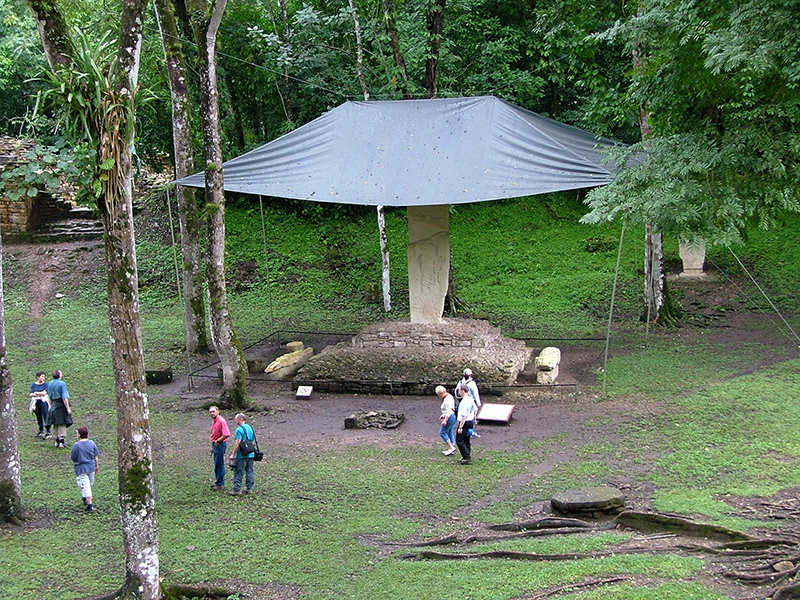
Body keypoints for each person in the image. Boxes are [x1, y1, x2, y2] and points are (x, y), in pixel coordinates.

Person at [71, 426, 99, 513]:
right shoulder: (92, 443)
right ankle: (86, 498)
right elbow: (96, 456)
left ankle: (89, 504)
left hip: (81, 468)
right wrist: (96, 466)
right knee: (89, 484)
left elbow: (73, 458)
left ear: (79, 434)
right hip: (91, 467)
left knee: (85, 485)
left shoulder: (76, 445)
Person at [228, 413, 255, 496]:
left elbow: (237, 443)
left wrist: (233, 454)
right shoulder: (250, 427)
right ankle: (249, 488)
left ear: (240, 419)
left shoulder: (239, 430)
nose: (235, 421)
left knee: (239, 471)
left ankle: (237, 489)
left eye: (236, 419)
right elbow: (252, 439)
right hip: (250, 453)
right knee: (249, 471)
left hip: (242, 455)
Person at [47, 370, 72, 448]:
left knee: (56, 423)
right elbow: (64, 397)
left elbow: (50, 397)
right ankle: (61, 441)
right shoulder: (62, 384)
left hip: (54, 404)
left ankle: (57, 440)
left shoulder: (50, 384)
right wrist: (68, 408)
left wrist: (51, 406)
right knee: (62, 422)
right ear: (59, 375)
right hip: (61, 405)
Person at [455, 383, 478, 465]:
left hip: (464, 422)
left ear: (462, 391)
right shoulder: (470, 399)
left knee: (459, 439)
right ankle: (467, 454)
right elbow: (475, 408)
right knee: (466, 439)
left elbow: (463, 415)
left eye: (459, 390)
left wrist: (460, 426)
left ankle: (466, 456)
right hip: (470, 422)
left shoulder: (464, 402)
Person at [209, 406, 230, 491]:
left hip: (220, 444)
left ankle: (220, 484)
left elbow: (226, 434)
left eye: (213, 411)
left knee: (219, 464)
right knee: (217, 464)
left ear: (218, 411)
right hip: (215, 444)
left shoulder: (221, 421)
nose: (212, 413)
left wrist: (218, 441)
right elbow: (214, 434)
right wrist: (212, 446)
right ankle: (219, 482)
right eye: (210, 412)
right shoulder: (214, 422)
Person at [455, 368, 481, 437]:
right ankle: (470, 431)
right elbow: (475, 393)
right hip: (470, 401)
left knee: (463, 415)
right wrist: (478, 403)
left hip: (462, 401)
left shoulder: (460, 382)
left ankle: (464, 428)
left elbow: (456, 391)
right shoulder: (472, 383)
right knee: (471, 416)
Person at [435, 386, 457, 456]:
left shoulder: (447, 400)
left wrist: (445, 420)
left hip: (450, 417)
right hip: (452, 416)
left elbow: (449, 411)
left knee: (442, 432)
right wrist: (443, 415)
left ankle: (451, 447)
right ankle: (452, 446)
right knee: (450, 431)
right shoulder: (449, 396)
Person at [30, 371, 51, 439]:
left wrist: (36, 393)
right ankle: (41, 430)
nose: (43, 378)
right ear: (37, 377)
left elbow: (44, 393)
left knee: (46, 416)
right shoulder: (33, 384)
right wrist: (38, 393)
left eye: (44, 377)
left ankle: (48, 431)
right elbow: (31, 394)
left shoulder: (45, 384)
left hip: (43, 402)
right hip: (36, 402)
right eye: (42, 376)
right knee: (38, 417)